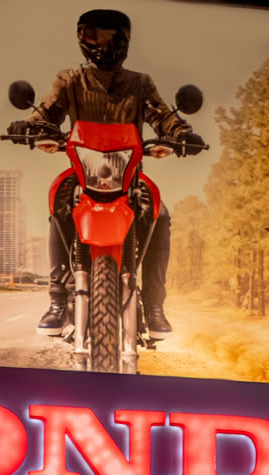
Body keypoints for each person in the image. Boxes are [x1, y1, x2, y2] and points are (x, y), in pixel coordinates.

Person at [28, 8, 198, 335]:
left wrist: (181, 132)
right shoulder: (69, 80)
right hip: (82, 174)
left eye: (112, 36)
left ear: (125, 40)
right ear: (83, 39)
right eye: (95, 35)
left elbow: (162, 115)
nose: (105, 43)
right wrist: (31, 125)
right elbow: (48, 111)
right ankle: (57, 300)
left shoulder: (140, 83)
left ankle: (154, 305)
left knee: (160, 215)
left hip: (129, 175)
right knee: (58, 202)